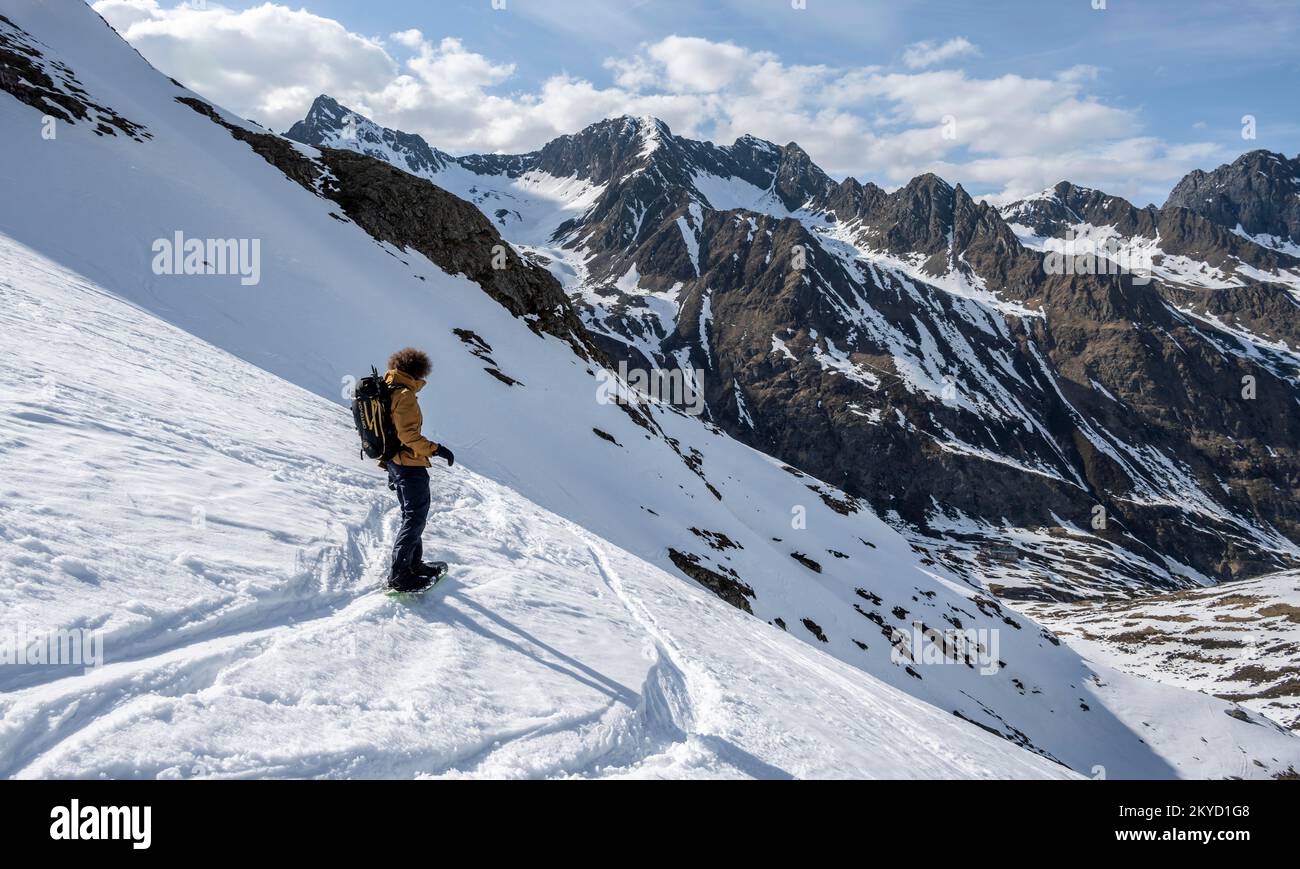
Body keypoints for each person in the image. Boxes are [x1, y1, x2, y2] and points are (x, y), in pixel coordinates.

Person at [382, 347, 455, 591]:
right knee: (415, 517)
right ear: (417, 372)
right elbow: (409, 437)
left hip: (394, 462)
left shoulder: (387, 388)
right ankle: (400, 575)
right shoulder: (404, 395)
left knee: (412, 516)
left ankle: (413, 565)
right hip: (409, 464)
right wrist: (436, 449)